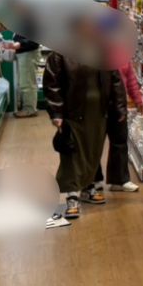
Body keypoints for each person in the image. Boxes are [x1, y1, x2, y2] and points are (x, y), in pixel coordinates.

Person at [42, 52, 126, 217]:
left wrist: (120, 107)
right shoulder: (60, 53)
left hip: (99, 112)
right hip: (72, 113)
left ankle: (88, 187)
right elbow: (51, 83)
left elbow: (115, 80)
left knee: (93, 151)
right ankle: (72, 195)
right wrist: (56, 112)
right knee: (72, 153)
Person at [95, 59, 143, 193]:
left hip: (118, 104)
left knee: (120, 141)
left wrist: (137, 99)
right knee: (94, 144)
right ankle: (94, 180)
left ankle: (119, 181)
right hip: (96, 106)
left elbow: (130, 78)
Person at [8, 33, 40, 117]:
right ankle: (28, 108)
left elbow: (34, 41)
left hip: (29, 53)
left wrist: (20, 44)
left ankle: (30, 110)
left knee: (27, 82)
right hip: (24, 53)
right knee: (25, 81)